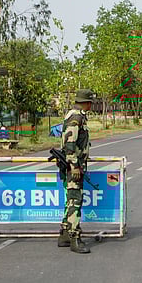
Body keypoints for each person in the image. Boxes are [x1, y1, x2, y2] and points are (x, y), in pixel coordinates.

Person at [57, 89, 94, 254]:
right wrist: (74, 165)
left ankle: (65, 234)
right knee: (75, 201)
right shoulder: (76, 117)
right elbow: (70, 143)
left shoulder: (76, 115)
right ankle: (74, 237)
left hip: (74, 164)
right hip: (74, 166)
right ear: (87, 102)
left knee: (71, 199)